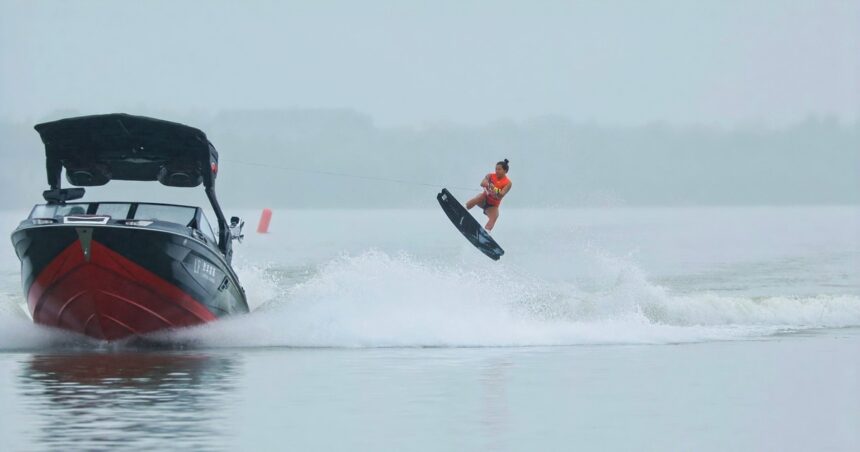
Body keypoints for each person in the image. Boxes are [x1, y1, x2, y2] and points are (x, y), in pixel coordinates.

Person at [465, 159, 512, 232]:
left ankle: (486, 232)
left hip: (492, 206)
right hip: (483, 199)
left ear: (505, 171)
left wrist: (495, 189)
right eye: (496, 169)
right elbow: (482, 183)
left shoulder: (508, 183)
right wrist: (489, 185)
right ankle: (464, 208)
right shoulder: (490, 176)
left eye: (499, 169)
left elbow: (502, 194)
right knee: (479, 197)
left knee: (495, 216)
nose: (496, 171)